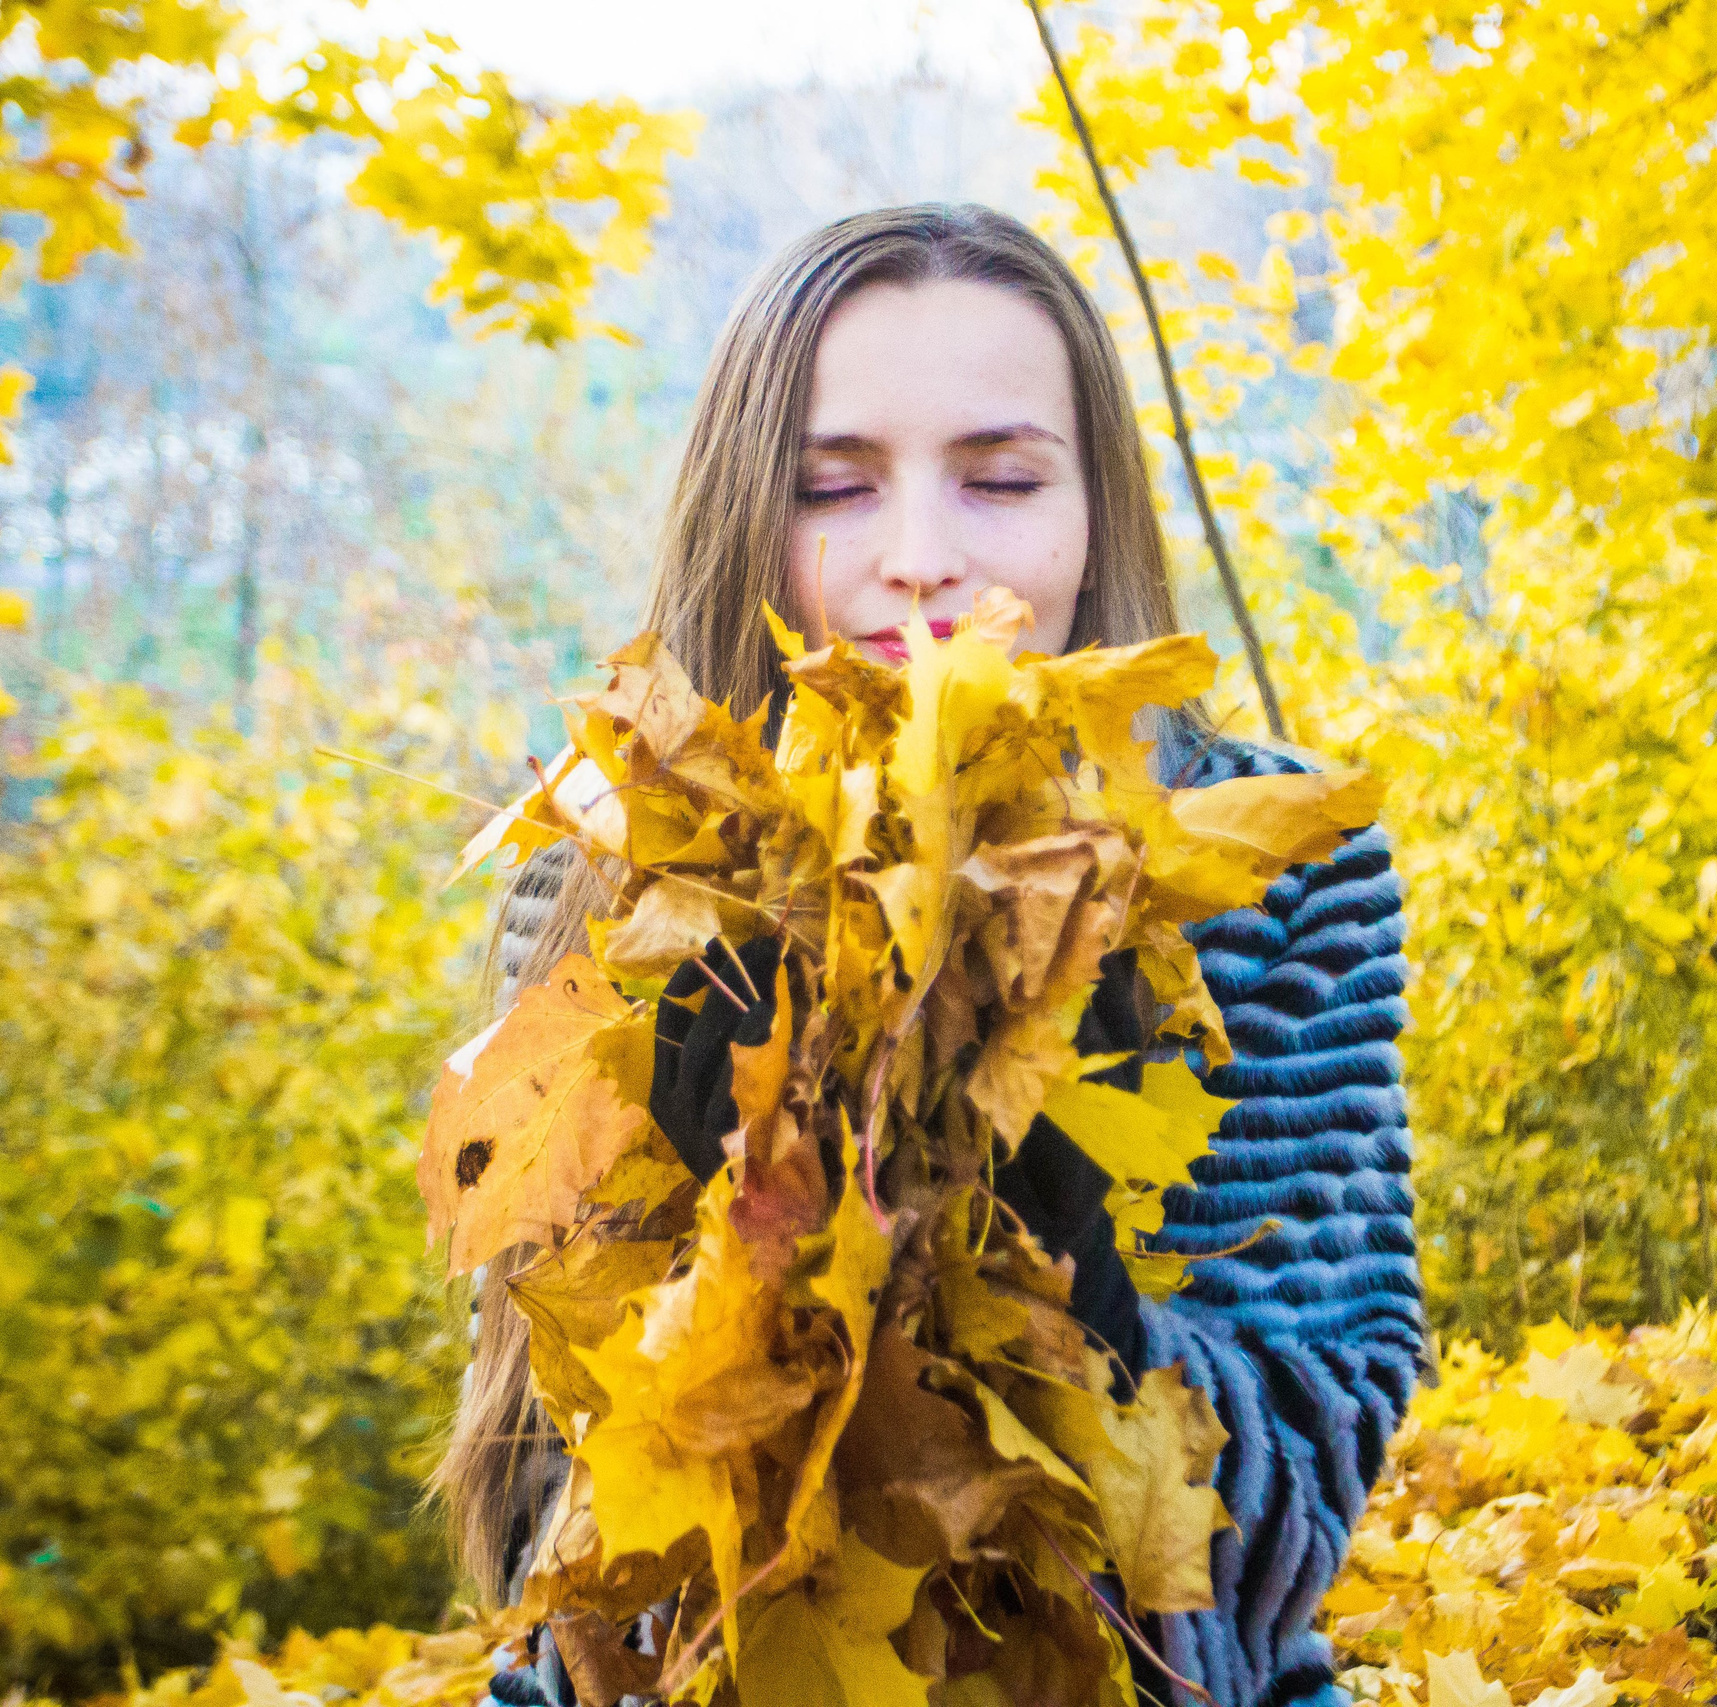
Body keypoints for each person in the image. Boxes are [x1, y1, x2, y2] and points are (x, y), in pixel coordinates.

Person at [439, 203, 1422, 1707]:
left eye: (1003, 479)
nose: (918, 561)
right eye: (835, 488)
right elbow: (548, 1537)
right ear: (744, 519)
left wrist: (1075, 1296)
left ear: (1092, 511)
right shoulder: (606, 884)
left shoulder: (1269, 871)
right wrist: (720, 1266)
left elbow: (1300, 1502)